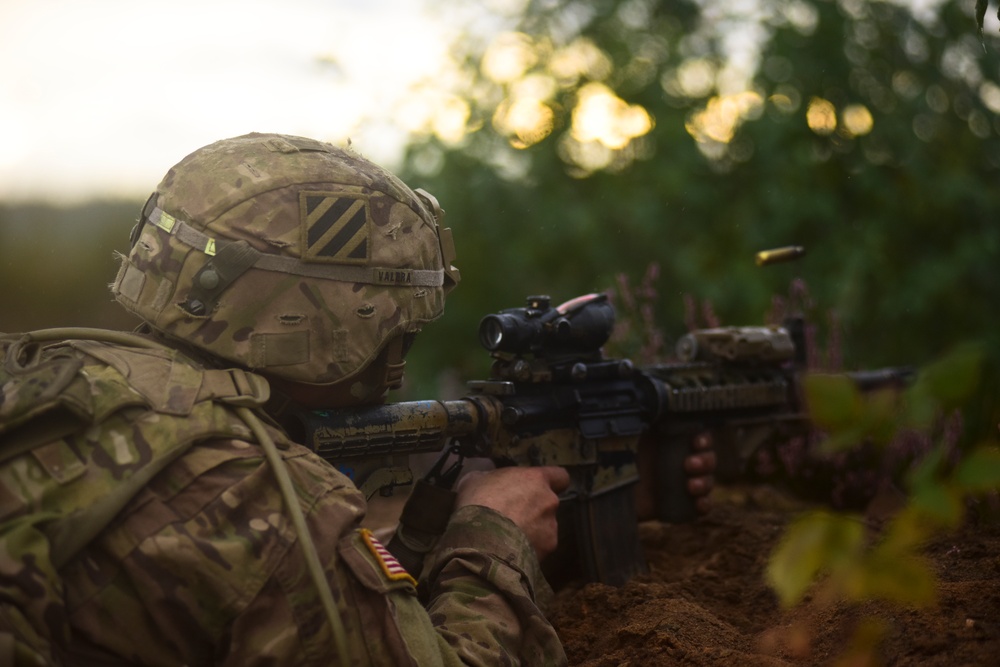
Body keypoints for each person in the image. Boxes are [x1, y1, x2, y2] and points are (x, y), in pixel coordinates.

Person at [0, 132, 714, 666]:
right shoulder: (260, 496)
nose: (398, 348)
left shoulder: (53, 376)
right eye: (396, 323)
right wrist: (495, 535)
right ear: (331, 321)